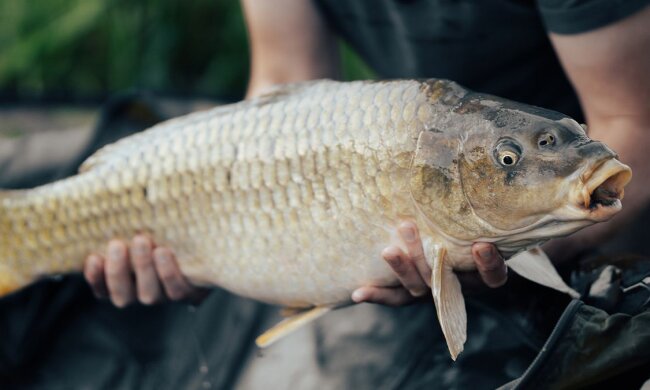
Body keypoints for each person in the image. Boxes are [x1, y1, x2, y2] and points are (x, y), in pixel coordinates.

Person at [23, 0, 650, 388]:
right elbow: (282, 84)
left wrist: (510, 249)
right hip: (411, 157)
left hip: (569, 202)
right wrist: (207, 240)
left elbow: (634, 128)